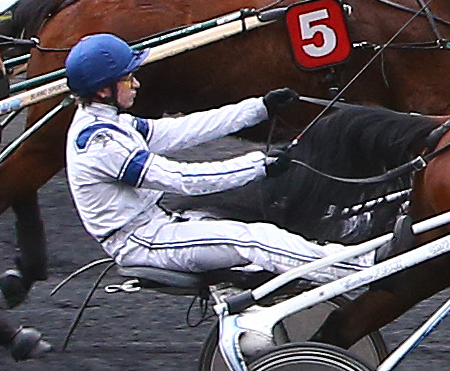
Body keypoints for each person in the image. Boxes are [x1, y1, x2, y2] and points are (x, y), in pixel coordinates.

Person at [56, 35, 327, 289]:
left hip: (158, 225)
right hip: (141, 241)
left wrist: (258, 108)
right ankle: (353, 270)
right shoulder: (102, 143)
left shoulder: (115, 124)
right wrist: (258, 167)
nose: (136, 84)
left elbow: (186, 129)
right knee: (255, 240)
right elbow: (182, 180)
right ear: (104, 90)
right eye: (128, 78)